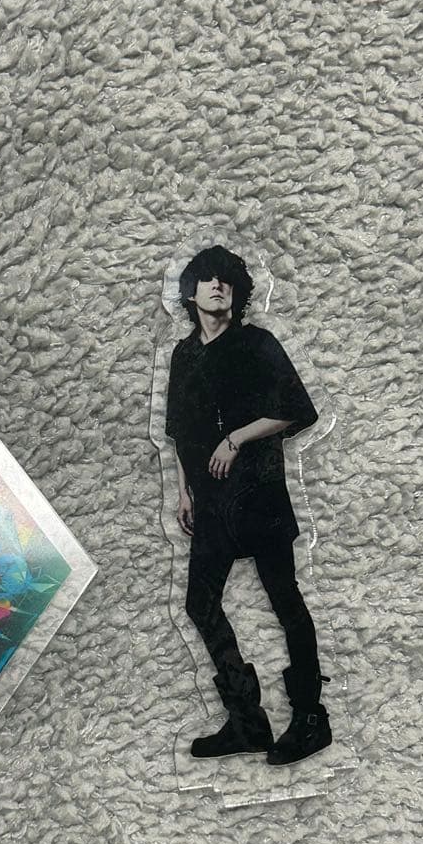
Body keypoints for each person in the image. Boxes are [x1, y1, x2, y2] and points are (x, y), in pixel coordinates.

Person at [165, 245, 331, 765]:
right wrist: (184, 490)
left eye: (227, 280)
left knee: (285, 600)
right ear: (190, 293)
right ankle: (247, 721)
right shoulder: (183, 355)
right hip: (211, 502)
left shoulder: (258, 343)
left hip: (259, 493)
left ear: (238, 292)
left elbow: (298, 409)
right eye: (207, 279)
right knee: (199, 604)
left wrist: (236, 438)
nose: (218, 286)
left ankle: (311, 718)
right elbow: (179, 431)